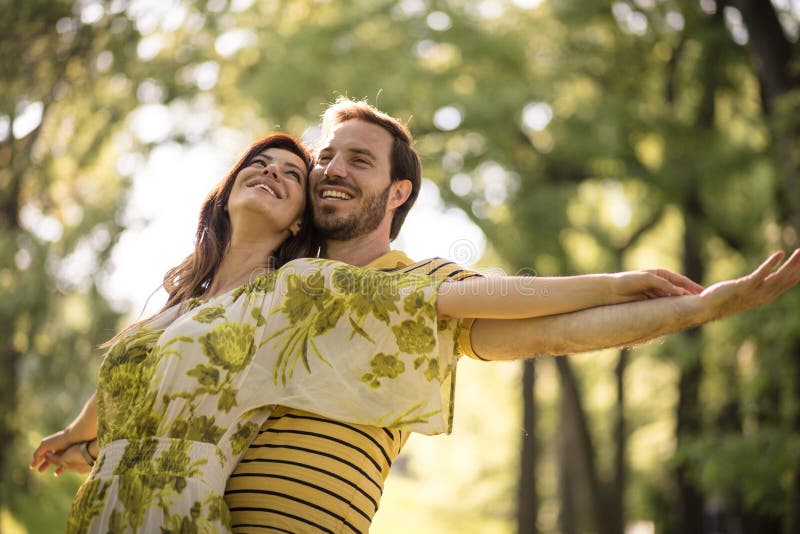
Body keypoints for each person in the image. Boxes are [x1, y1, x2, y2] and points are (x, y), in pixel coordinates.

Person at [32, 99, 800, 533]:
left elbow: (554, 330)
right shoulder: (270, 287)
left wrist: (690, 307)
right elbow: (160, 348)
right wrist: (87, 426)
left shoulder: (412, 286)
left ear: (398, 194)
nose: (330, 171)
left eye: (355, 162)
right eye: (325, 159)